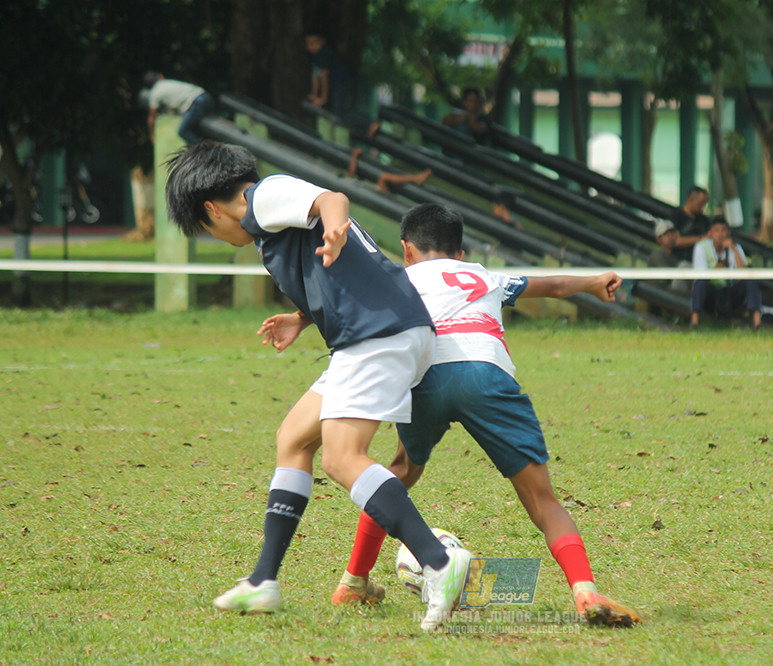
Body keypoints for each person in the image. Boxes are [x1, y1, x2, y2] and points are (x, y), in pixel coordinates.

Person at [163, 143, 472, 632]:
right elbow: (343, 275)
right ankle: (264, 580)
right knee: (293, 438)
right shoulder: (269, 227)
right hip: (379, 332)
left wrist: (333, 223)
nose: (217, 236)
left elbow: (332, 199)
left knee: (341, 457)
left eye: (207, 229)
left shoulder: (264, 197)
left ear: (212, 208)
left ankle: (437, 560)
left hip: (378, 334)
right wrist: (302, 319)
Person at [325, 203, 641, 627]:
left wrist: (298, 318)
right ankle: (585, 592)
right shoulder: (482, 274)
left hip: (425, 377)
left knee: (394, 474)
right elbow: (554, 285)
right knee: (542, 500)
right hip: (485, 374)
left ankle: (353, 582)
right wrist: (594, 281)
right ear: (459, 253)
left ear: (406, 250)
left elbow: (347, 305)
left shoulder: (399, 275)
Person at [690, 218, 762, 329]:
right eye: (716, 231)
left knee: (750, 281)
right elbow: (700, 275)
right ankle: (694, 323)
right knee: (699, 284)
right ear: (710, 233)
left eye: (723, 230)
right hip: (712, 292)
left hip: (730, 291)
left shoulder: (735, 247)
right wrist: (714, 271)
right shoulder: (702, 247)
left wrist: (734, 249)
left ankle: (757, 324)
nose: (720, 235)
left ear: (728, 232)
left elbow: (743, 274)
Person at [143, 72, 214, 145]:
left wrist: (152, 136)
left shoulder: (154, 93)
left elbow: (151, 118)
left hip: (195, 104)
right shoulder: (168, 82)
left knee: (182, 131)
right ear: (160, 76)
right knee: (196, 128)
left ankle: (204, 151)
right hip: (205, 96)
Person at [305, 33, 352, 117]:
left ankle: (369, 123)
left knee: (340, 112)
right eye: (309, 43)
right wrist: (314, 95)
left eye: (315, 43)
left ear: (322, 42)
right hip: (334, 84)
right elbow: (315, 76)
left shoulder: (324, 54)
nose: (312, 46)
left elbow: (324, 78)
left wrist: (323, 98)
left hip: (340, 83)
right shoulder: (315, 56)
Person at [670, 186, 710, 263]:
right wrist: (701, 238)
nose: (703, 207)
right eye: (701, 203)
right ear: (691, 198)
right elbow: (675, 241)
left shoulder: (704, 220)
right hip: (681, 260)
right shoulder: (676, 216)